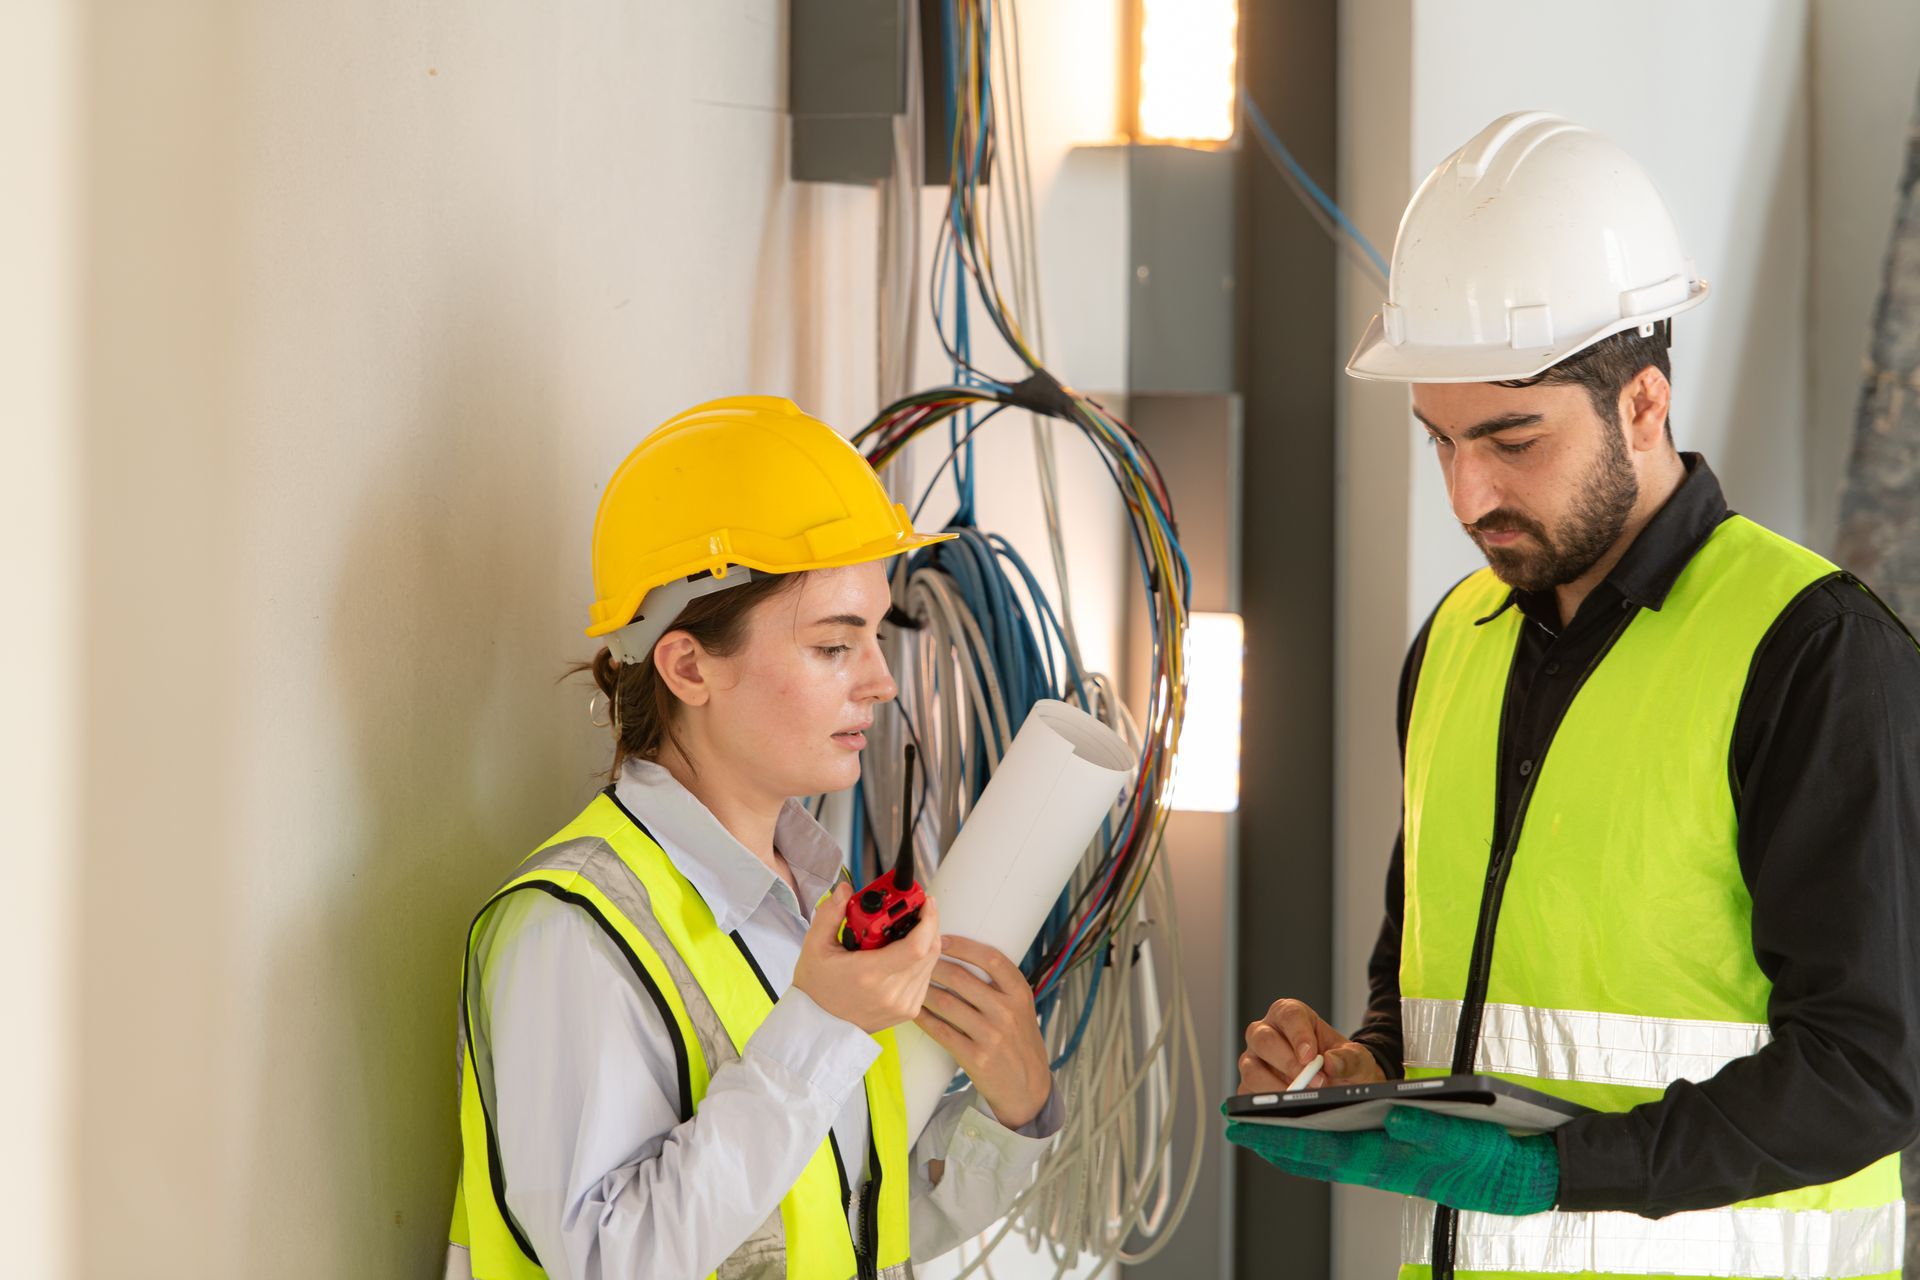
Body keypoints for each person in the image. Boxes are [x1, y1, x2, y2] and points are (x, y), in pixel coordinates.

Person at [1229, 113, 1920, 1279]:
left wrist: (1558, 1169)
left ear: (1642, 403)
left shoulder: (1813, 652)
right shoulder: (1455, 642)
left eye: (1512, 440)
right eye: (1440, 441)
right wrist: (1364, 1068)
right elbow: (1425, 982)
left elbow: (1871, 1070)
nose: (1467, 494)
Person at [445, 396, 1063, 1280]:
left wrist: (1015, 1113)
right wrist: (821, 1028)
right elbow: (610, 1261)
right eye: (834, 647)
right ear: (689, 666)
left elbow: (843, 1224)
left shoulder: (812, 906)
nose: (881, 682)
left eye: (874, 637)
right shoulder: (573, 929)